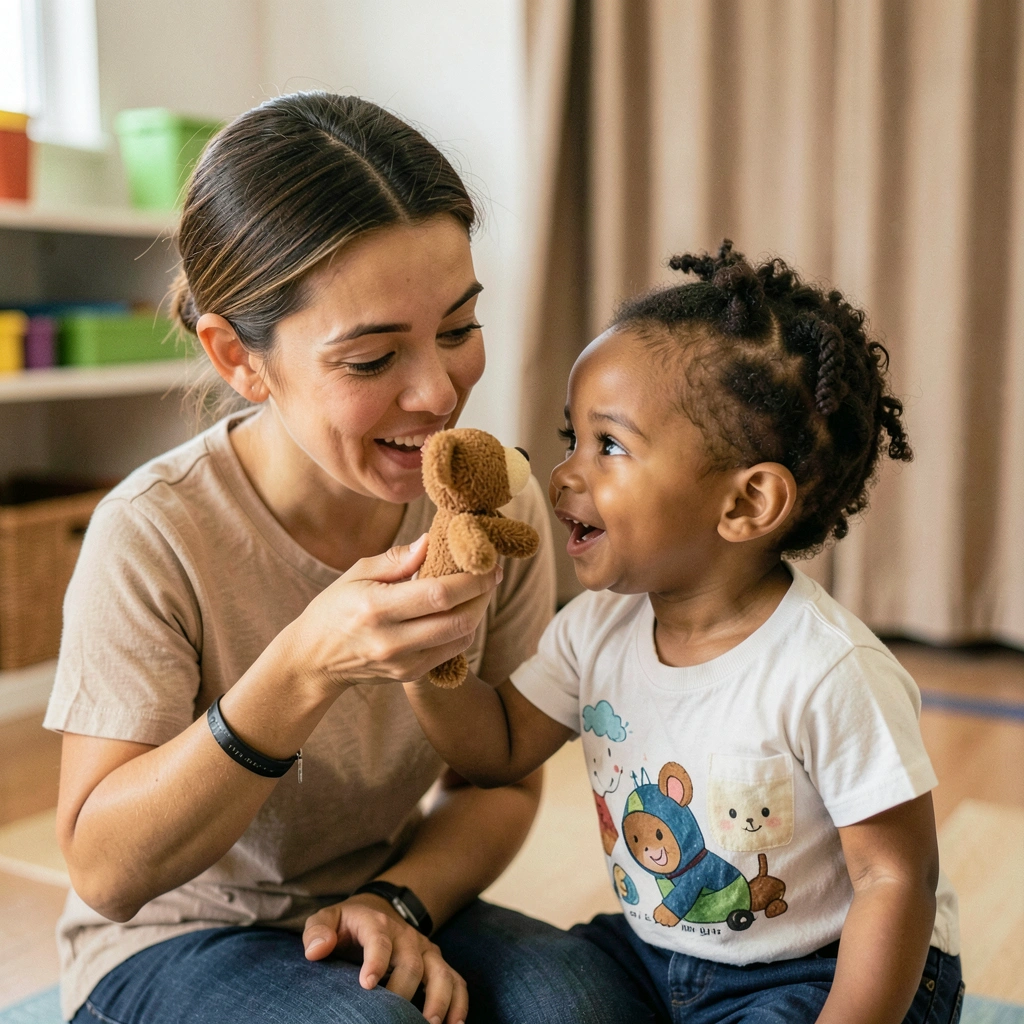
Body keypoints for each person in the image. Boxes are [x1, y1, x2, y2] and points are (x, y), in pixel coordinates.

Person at [44, 93, 649, 1024]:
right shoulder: (153, 535)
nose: (439, 391)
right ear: (238, 359)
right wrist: (302, 667)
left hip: (380, 888)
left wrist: (400, 901)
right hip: (171, 937)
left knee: (589, 1007)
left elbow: (499, 777)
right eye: (371, 360)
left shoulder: (493, 503)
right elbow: (106, 871)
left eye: (457, 329)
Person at [404, 241, 965, 1023]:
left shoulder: (828, 671)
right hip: (662, 948)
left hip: (825, 969)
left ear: (746, 505)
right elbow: (494, 750)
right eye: (571, 439)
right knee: (538, 992)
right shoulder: (596, 628)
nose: (565, 474)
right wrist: (426, 653)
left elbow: (895, 881)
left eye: (608, 446)